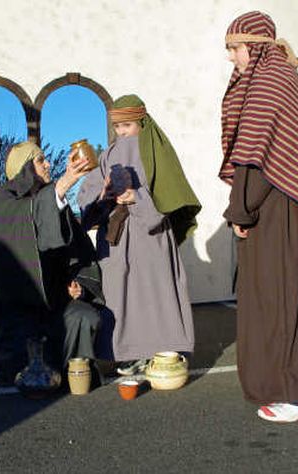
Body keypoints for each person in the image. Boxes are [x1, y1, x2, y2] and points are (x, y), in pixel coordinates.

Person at [220, 11, 298, 422]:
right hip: (291, 204)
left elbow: (255, 157)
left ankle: (290, 395)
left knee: (276, 301)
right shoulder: (286, 79)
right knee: (294, 300)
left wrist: (241, 209)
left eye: (234, 49)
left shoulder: (270, 82)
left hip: (275, 209)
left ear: (254, 46)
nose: (231, 58)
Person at [78, 94, 201, 376]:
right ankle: (124, 353)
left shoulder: (158, 151)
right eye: (118, 128)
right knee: (118, 294)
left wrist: (137, 197)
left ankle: (162, 350)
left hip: (151, 236)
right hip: (117, 237)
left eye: (128, 126)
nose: (123, 134)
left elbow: (171, 193)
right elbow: (88, 194)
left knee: (153, 293)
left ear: (142, 123)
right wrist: (104, 195)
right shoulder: (108, 154)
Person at [0, 141, 104, 386]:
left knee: (85, 316)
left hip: (57, 303)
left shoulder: (52, 199)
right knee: (24, 361)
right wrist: (65, 183)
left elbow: (77, 254)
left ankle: (72, 370)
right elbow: (29, 217)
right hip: (17, 309)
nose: (48, 164)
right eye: (40, 160)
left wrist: (77, 284)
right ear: (24, 167)